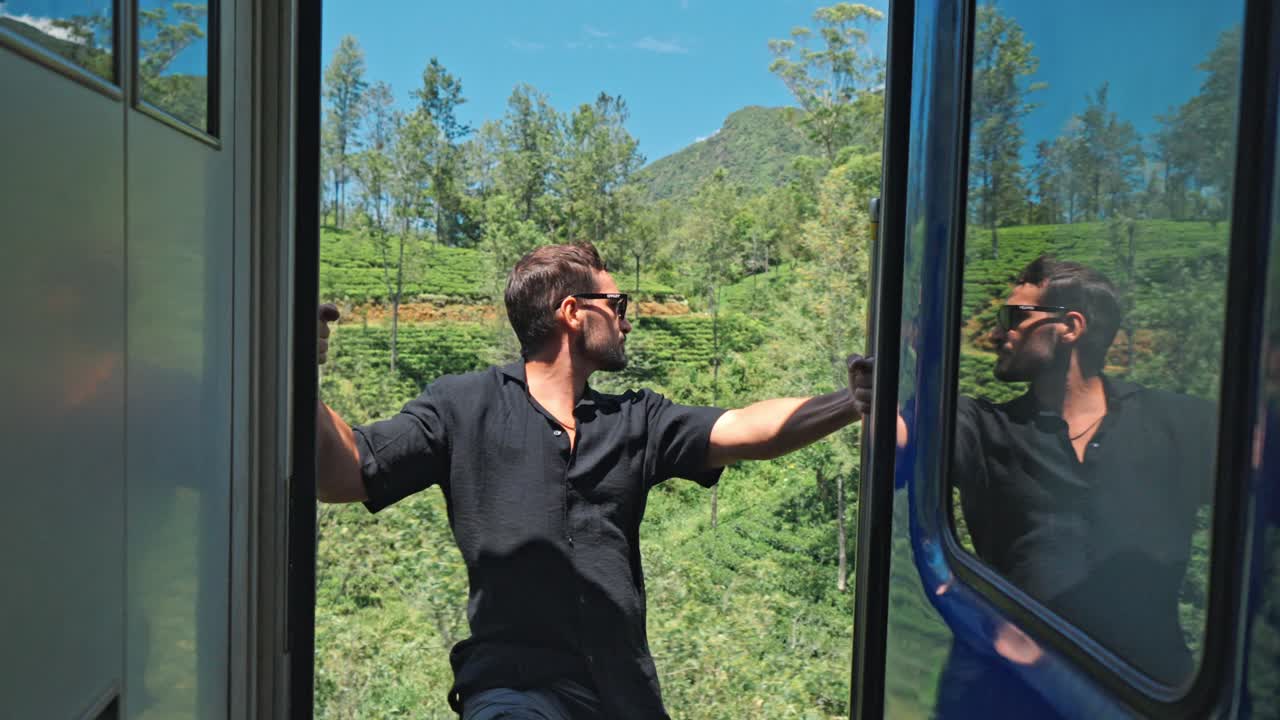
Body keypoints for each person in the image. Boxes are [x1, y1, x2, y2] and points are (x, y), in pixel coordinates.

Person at [314, 242, 874, 719]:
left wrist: (851, 402)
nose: (629, 319)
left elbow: (750, 428)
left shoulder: (636, 420)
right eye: (618, 303)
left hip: (621, 694)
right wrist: (296, 364)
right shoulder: (462, 407)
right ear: (573, 312)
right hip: (514, 690)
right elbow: (346, 473)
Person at [947, 255, 1214, 687]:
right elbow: (897, 430)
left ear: (1070, 327)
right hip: (1024, 692)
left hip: (1155, 697)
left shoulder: (1180, 424)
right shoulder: (984, 428)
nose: (997, 334)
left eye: (1013, 317)